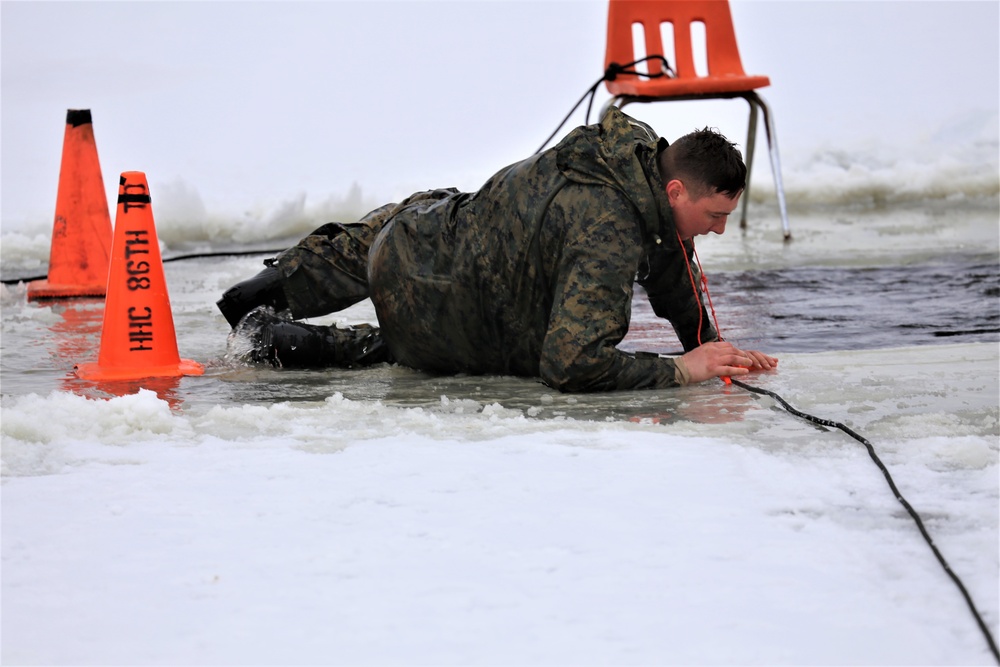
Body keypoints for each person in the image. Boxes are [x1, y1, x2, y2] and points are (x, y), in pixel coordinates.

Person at [217, 107, 777, 392]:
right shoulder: (610, 228)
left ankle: (263, 296)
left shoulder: (630, 160)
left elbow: (669, 264)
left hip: (415, 233)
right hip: (444, 313)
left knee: (424, 221)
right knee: (402, 344)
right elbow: (572, 364)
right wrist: (682, 370)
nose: (720, 231)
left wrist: (711, 344)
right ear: (676, 191)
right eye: (715, 217)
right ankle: (271, 340)